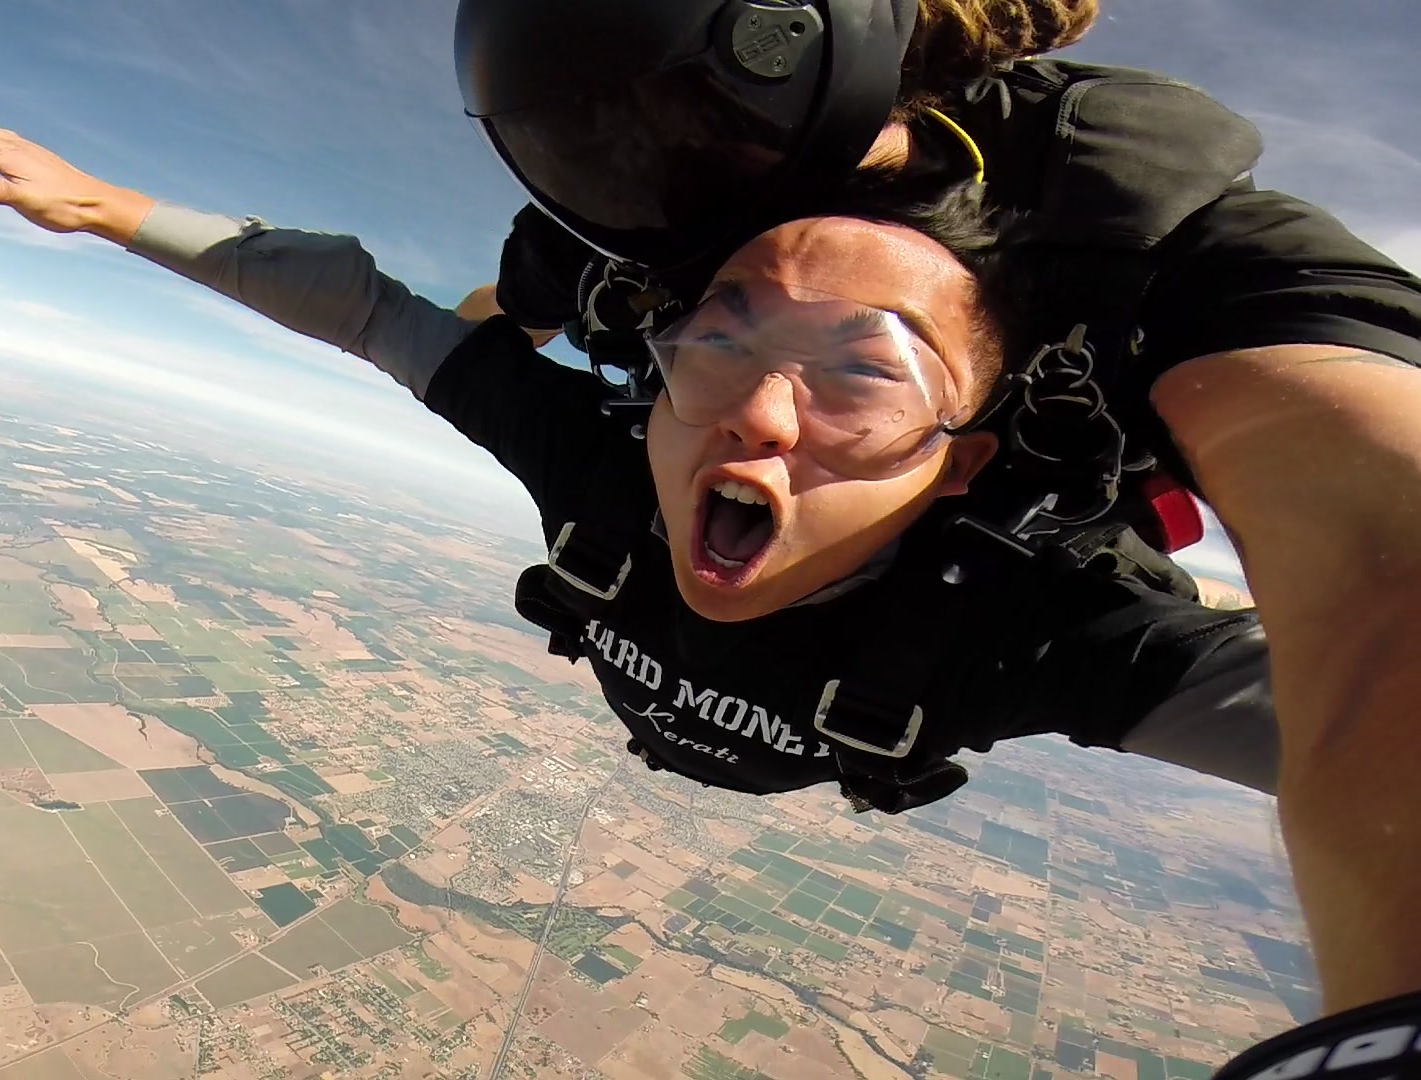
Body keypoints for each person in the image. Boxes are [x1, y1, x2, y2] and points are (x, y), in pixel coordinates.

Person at [0, 84, 1417, 1080]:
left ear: (962, 460)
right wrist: (112, 213)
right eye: (724, 336)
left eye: (859, 380)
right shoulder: (614, 465)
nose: (755, 412)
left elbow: (1372, 700)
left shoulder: (1026, 629)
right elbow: (370, 309)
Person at [453, 0, 1421, 1032]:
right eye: (589, 140)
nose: (651, 161)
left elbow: (1381, 584)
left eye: (687, 118)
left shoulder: (1164, 237)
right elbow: (474, 326)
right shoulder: (642, 209)